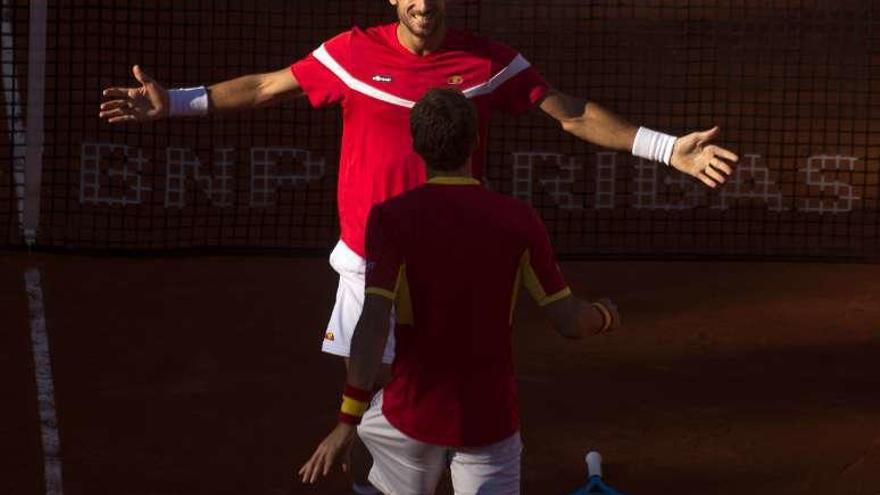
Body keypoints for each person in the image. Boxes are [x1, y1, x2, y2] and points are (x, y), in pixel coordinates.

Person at [99, 1, 738, 492]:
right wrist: (176, 103)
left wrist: (664, 146)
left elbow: (569, 112)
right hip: (365, 258)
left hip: (447, 259)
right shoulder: (350, 53)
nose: (425, 6)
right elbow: (268, 86)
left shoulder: (489, 63)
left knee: (439, 377)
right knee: (382, 383)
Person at [298, 88, 622, 494]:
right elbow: (571, 322)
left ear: (416, 145)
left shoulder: (390, 220)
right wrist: (605, 315)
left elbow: (374, 323)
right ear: (476, 142)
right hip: (489, 421)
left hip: (411, 416)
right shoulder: (520, 219)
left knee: (364, 450)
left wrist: (347, 420)